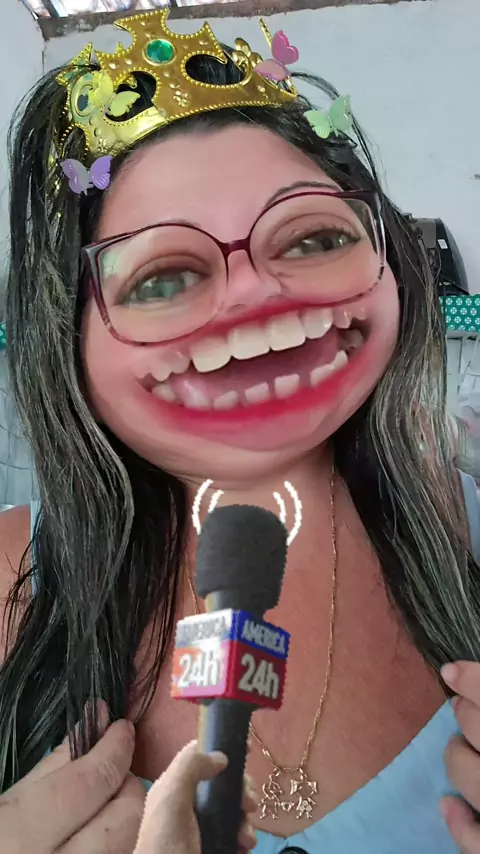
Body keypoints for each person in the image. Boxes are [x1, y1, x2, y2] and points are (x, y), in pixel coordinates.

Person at [0, 7, 480, 853]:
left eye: (314, 237)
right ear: (62, 337)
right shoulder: (10, 575)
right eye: (160, 279)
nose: (257, 292)